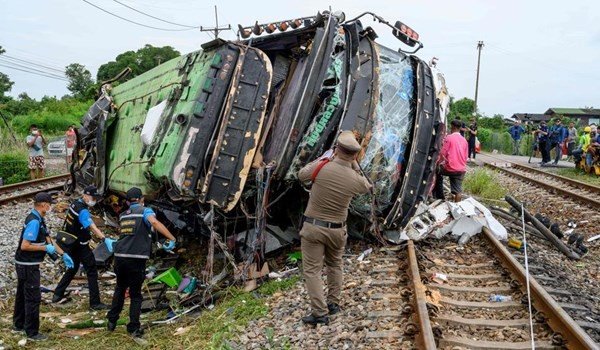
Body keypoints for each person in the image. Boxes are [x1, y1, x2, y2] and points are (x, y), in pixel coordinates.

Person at [297, 131, 371, 325]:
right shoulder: (355, 179)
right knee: (335, 264)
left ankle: (319, 313)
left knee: (312, 271)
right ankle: (333, 304)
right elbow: (367, 185)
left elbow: (301, 174)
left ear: (336, 149)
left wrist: (327, 157)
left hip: (313, 228)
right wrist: (352, 163)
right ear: (355, 155)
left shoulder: (323, 167)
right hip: (338, 231)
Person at [106, 187, 177, 339]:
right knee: (136, 294)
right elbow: (154, 223)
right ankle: (133, 328)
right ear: (141, 199)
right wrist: (172, 238)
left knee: (120, 288)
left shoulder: (124, 215)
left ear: (127, 201)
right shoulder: (145, 211)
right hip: (135, 259)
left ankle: (111, 321)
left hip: (119, 257)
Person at [13, 193, 74, 341]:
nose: (51, 206)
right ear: (42, 204)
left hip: (24, 264)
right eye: (49, 204)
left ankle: (18, 324)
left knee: (22, 294)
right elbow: (25, 245)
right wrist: (44, 249)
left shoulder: (39, 219)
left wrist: (63, 254)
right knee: (33, 297)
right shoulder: (34, 221)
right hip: (28, 265)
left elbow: (49, 240)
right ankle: (32, 332)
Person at [52, 185, 115, 310]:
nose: (94, 200)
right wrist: (104, 239)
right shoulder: (83, 211)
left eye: (95, 198)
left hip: (71, 243)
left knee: (72, 268)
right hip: (81, 245)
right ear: (85, 195)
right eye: (92, 197)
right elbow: (91, 226)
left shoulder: (75, 204)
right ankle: (95, 303)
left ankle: (57, 294)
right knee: (91, 271)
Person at [434, 119, 468, 202]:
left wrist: (437, 163)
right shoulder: (464, 140)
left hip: (450, 168)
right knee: (458, 191)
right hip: (461, 169)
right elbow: (466, 156)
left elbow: (442, 153)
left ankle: (439, 196)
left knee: (436, 171)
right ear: (460, 128)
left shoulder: (449, 138)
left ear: (452, 127)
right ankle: (457, 207)